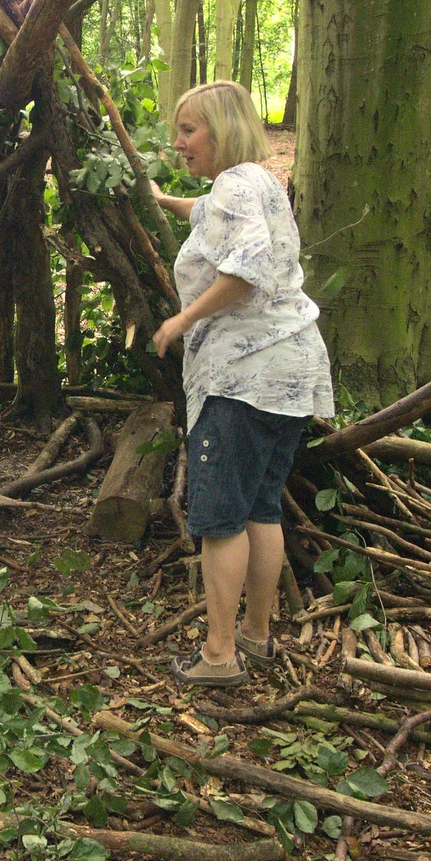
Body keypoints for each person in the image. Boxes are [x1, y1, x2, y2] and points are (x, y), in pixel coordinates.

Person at [150, 81, 334, 686]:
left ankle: (219, 655)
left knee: (221, 517)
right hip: (292, 372)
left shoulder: (233, 185)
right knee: (261, 508)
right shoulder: (255, 180)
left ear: (222, 130)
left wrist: (182, 319)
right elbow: (210, 216)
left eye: (188, 130)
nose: (178, 143)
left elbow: (247, 268)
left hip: (246, 376)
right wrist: (162, 199)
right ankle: (256, 638)